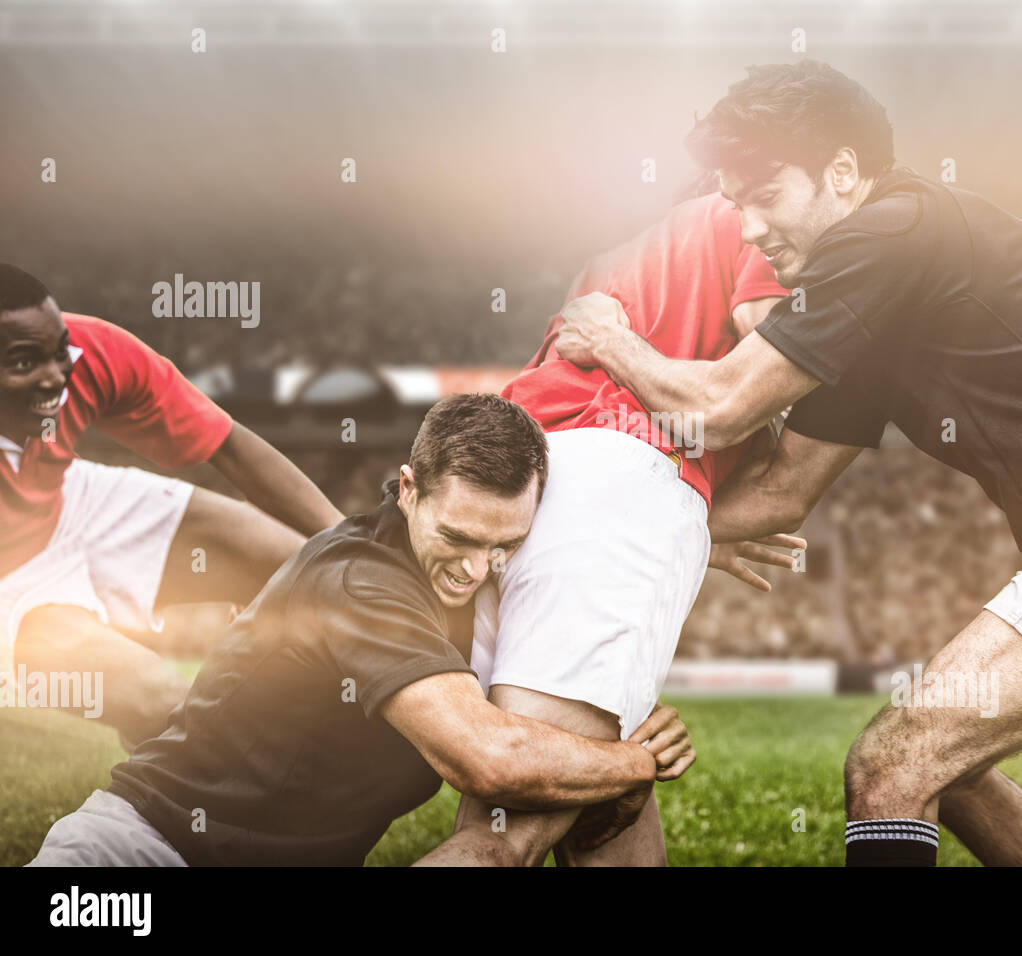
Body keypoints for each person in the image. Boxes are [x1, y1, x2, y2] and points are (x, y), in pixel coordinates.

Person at [553, 60, 1022, 867]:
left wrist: (608, 337)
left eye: (767, 196)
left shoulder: (892, 231)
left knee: (892, 767)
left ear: (845, 172)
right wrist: (658, 523)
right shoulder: (867, 298)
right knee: (944, 770)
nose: (746, 229)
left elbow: (721, 407)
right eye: (736, 204)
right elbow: (780, 496)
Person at [28, 394, 693, 866]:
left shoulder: (472, 580)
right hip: (142, 855)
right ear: (408, 490)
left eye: (501, 545)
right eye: (457, 536)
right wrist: (637, 762)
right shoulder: (360, 582)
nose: (472, 568)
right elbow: (492, 761)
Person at [419, 185, 802, 867]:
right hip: (624, 479)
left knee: (599, 794)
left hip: (524, 482)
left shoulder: (604, 263)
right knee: (509, 835)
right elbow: (767, 324)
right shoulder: (748, 219)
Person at [0, 264, 342, 749]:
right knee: (159, 702)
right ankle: (176, 800)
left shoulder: (90, 350)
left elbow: (228, 445)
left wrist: (364, 555)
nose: (55, 377)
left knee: (319, 578)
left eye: (59, 353)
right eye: (21, 364)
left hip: (67, 499)